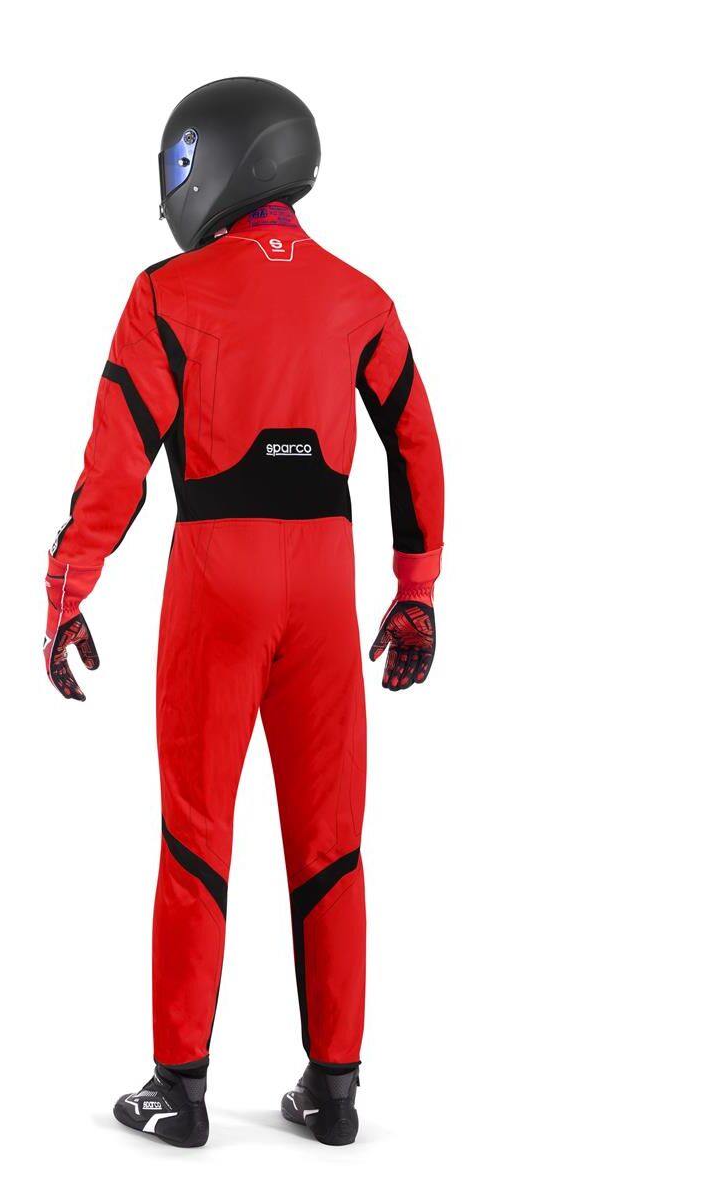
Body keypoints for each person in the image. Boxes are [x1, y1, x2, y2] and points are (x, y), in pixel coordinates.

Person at [44, 77, 444, 1147]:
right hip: (325, 582)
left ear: (209, 163)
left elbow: (117, 459)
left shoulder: (166, 294)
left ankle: (179, 1093)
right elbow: (414, 440)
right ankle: (335, 1091)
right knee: (331, 841)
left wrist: (69, 587)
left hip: (215, 577)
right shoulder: (362, 297)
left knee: (196, 833)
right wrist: (415, 589)